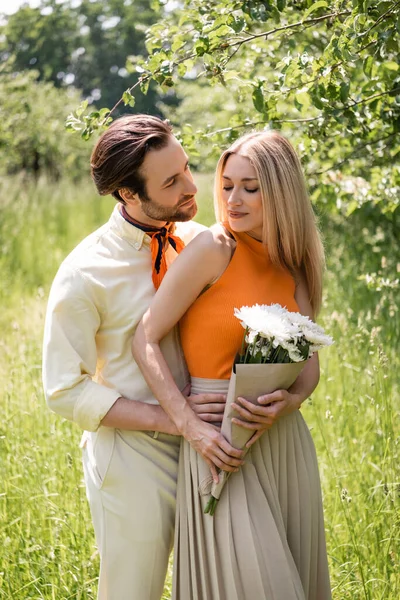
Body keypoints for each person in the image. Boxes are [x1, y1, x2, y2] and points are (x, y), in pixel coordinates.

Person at [42, 114, 243, 600]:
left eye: (187, 168)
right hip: (132, 459)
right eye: (171, 181)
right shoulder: (84, 273)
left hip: (212, 447)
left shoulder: (203, 243)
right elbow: (64, 389)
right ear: (128, 194)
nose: (191, 187)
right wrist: (174, 419)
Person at [132, 130, 332, 600]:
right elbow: (145, 337)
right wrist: (188, 426)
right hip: (218, 445)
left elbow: (308, 372)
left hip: (281, 443)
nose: (233, 199)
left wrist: (286, 404)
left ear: (281, 192)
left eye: (250, 187)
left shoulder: (293, 262)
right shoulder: (213, 249)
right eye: (226, 185)